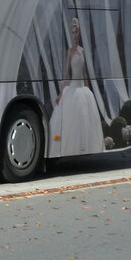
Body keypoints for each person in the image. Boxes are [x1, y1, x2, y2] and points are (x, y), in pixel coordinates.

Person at [49, 17, 104, 156]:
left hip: (82, 89)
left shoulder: (82, 50)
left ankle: (84, 149)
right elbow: (66, 73)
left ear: (79, 33)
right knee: (72, 123)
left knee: (85, 122)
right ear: (70, 34)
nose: (74, 34)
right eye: (72, 32)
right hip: (73, 88)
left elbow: (84, 72)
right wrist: (61, 93)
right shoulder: (70, 51)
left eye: (76, 31)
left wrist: (88, 88)